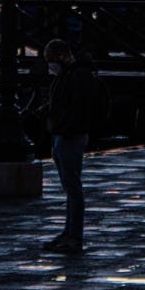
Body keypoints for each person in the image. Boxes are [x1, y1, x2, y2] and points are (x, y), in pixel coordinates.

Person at [43, 35, 105, 255]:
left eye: (50, 59)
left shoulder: (79, 76)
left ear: (62, 56)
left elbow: (80, 108)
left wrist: (66, 126)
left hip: (71, 135)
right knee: (69, 189)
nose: (49, 65)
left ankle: (74, 236)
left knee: (73, 188)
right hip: (61, 134)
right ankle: (67, 232)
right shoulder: (67, 75)